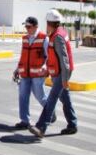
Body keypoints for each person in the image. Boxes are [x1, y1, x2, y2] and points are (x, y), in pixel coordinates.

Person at [28, 9, 78, 138]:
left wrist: (65, 79)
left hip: (62, 72)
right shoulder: (56, 33)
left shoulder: (57, 37)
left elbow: (64, 59)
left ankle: (41, 127)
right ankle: (72, 125)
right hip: (58, 71)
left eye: (47, 22)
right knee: (65, 99)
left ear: (50, 23)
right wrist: (47, 68)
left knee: (51, 99)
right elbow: (53, 55)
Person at [13, 16, 50, 131]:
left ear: (36, 26)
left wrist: (45, 66)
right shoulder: (25, 38)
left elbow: (49, 56)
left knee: (41, 97)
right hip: (25, 74)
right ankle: (25, 121)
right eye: (26, 26)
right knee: (23, 97)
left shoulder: (44, 38)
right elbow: (23, 55)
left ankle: (50, 112)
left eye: (29, 26)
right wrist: (17, 69)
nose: (27, 29)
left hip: (38, 74)